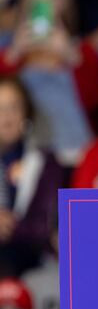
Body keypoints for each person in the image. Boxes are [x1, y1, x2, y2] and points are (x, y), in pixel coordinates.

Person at [0, 0, 98, 166]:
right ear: (24, 5)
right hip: (25, 158)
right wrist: (13, 55)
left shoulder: (84, 52)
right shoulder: (10, 52)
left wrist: (71, 56)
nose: (46, 5)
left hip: (76, 152)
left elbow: (96, 103)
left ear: (68, 3)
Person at [0, 77, 65, 276]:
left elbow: (47, 225)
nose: (7, 116)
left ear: (26, 114)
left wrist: (10, 226)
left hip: (32, 264)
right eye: (0, 108)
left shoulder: (46, 162)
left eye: (14, 107)